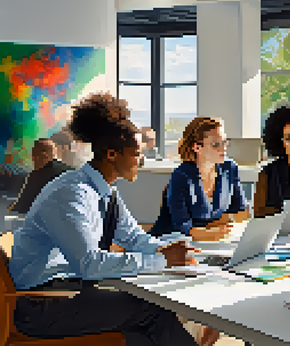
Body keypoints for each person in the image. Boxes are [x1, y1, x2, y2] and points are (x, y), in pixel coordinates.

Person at [8, 92, 218, 346]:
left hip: (70, 291)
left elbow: (134, 237)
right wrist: (162, 259)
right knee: (152, 309)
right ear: (111, 154)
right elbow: (90, 264)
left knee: (149, 322)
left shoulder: (106, 192)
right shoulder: (71, 194)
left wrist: (174, 250)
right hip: (43, 304)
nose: (141, 161)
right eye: (136, 153)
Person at [149, 117, 249, 240]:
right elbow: (182, 225)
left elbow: (240, 209)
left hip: (209, 241)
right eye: (216, 144)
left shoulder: (229, 168)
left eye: (224, 142)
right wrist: (213, 233)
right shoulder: (181, 176)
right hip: (171, 242)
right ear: (197, 147)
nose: (223, 148)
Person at [8, 138, 73, 214]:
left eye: (34, 156)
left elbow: (24, 205)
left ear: (44, 155)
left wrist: (11, 210)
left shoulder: (38, 175)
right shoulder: (71, 171)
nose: (33, 160)